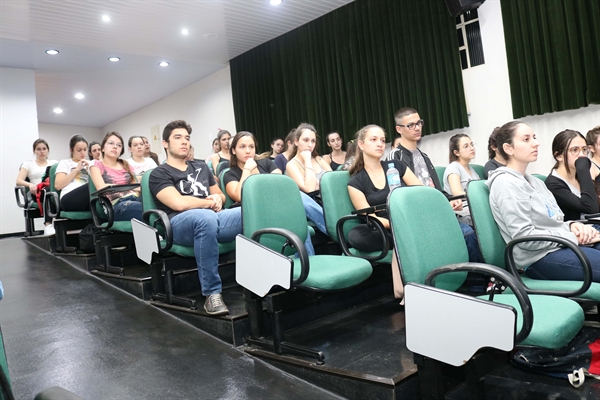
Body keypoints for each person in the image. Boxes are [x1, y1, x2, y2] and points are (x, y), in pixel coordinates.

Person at [149, 120, 242, 315]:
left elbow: (221, 196)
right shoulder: (159, 173)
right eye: (178, 137)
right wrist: (209, 203)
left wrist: (218, 197)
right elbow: (179, 203)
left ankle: (262, 279)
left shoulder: (200, 166)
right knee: (204, 218)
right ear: (165, 143)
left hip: (212, 218)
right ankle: (212, 294)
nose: (184, 142)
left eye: (187, 138)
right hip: (179, 224)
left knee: (251, 211)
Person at [488, 121, 600, 282]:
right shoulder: (506, 183)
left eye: (534, 137)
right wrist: (573, 237)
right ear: (508, 148)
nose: (536, 143)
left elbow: (554, 221)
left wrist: (572, 226)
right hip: (538, 259)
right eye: (526, 139)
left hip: (559, 245)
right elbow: (525, 237)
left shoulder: (535, 182)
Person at [386, 107, 482, 262]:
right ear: (399, 129)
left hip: (438, 211)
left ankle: (484, 279)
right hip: (419, 216)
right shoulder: (395, 157)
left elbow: (435, 190)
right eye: (411, 125)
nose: (417, 128)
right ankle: (478, 282)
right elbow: (399, 197)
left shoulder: (424, 156)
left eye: (419, 123)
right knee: (468, 234)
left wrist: (451, 200)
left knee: (476, 231)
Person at [347, 125, 422, 299]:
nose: (380, 144)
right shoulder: (356, 181)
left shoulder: (395, 165)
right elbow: (369, 217)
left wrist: (404, 221)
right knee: (356, 235)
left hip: (406, 220)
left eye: (382, 140)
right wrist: (395, 224)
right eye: (373, 140)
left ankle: (402, 238)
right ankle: (401, 238)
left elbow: (420, 192)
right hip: (382, 228)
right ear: (361, 144)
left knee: (405, 232)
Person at [223, 131, 327, 255]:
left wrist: (255, 168)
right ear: (234, 150)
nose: (248, 151)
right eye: (242, 147)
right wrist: (247, 169)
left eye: (251, 147)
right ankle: (332, 228)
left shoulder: (266, 163)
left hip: (276, 207)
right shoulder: (230, 174)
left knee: (297, 205)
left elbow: (280, 184)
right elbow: (240, 196)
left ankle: (308, 263)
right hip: (255, 214)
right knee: (297, 202)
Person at [545, 129, 600, 222]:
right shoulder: (553, 184)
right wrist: (583, 169)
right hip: (577, 232)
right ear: (559, 156)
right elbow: (591, 209)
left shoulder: (579, 176)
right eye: (575, 150)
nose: (582, 155)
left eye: (584, 149)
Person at [90, 132, 143, 222]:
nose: (115, 147)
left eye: (119, 145)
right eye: (111, 143)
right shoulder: (96, 165)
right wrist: (127, 188)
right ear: (102, 148)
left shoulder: (125, 164)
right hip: (117, 204)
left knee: (157, 203)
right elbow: (101, 187)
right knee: (146, 209)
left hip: (136, 198)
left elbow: (136, 186)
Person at [16, 139, 58, 235]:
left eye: (44, 149)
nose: (42, 151)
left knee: (53, 192)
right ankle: (48, 225)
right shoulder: (28, 164)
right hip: (36, 191)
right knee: (49, 193)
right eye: (38, 149)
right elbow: (19, 181)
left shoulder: (54, 163)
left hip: (51, 189)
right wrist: (30, 185)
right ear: (34, 151)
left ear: (48, 150)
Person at [443, 134, 480, 225]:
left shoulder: (471, 169)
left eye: (472, 144)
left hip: (474, 209)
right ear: (456, 152)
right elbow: (457, 193)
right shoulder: (453, 168)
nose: (471, 148)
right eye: (466, 146)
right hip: (462, 214)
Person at [285, 123, 332, 195]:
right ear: (296, 141)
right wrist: (307, 160)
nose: (310, 145)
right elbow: (309, 189)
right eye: (306, 140)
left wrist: (318, 184)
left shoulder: (318, 159)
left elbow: (333, 182)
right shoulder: (291, 165)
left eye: (313, 141)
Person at [55, 135, 91, 212]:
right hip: (68, 199)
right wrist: (76, 170)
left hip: (87, 200)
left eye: (85, 149)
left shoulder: (90, 164)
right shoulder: (65, 163)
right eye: (79, 150)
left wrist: (91, 172)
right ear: (71, 150)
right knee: (92, 185)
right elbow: (58, 185)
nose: (83, 153)